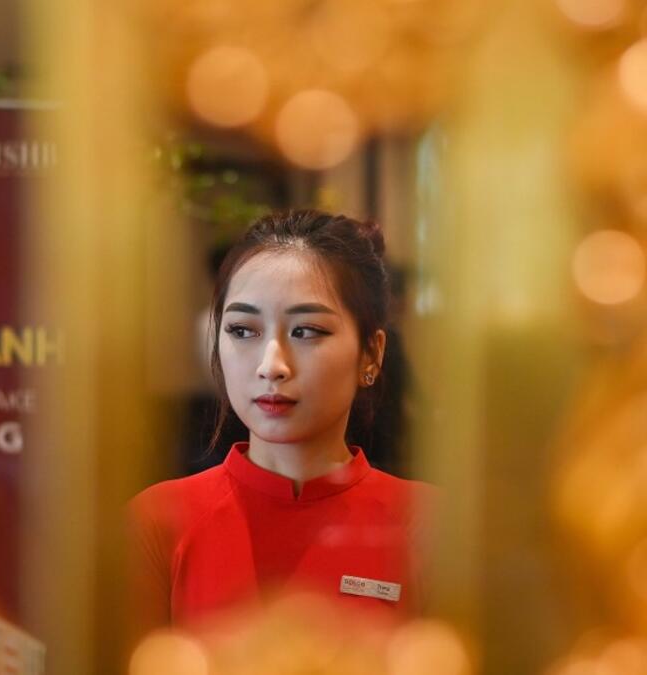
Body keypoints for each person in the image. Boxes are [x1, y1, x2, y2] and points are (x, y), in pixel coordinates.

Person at [127, 209, 434, 632]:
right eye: (242, 330)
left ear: (371, 353)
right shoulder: (158, 521)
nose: (271, 366)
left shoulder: (429, 523)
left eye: (306, 331)